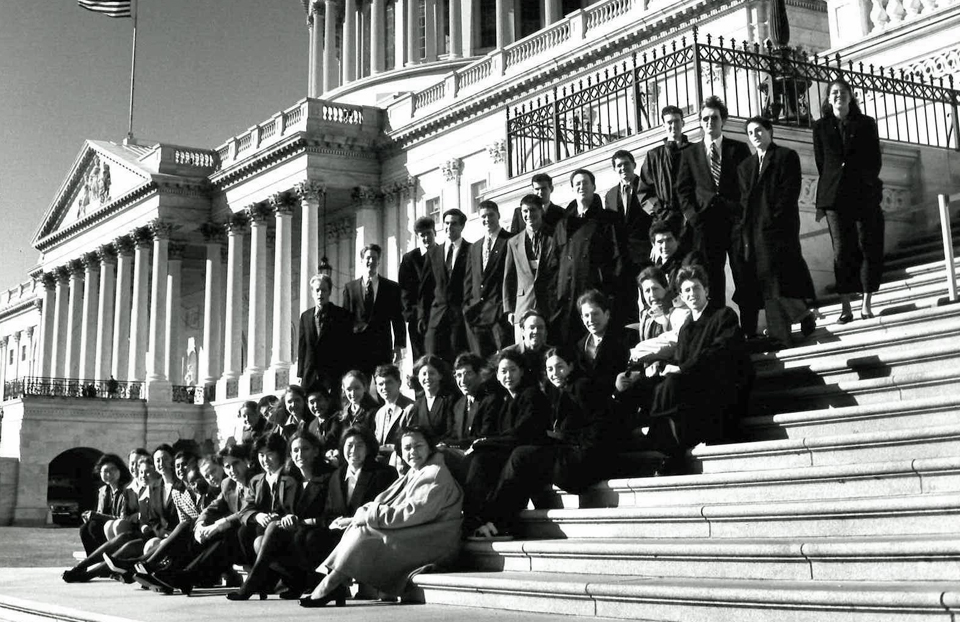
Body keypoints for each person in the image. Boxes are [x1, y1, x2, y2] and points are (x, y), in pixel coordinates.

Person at [301, 426, 463, 607]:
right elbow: (389, 503)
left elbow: (411, 513)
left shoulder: (434, 473)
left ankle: (331, 583)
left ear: (429, 447)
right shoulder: (417, 470)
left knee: (365, 534)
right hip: (419, 531)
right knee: (360, 528)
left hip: (433, 540)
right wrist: (363, 515)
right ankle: (332, 582)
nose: (412, 452)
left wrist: (368, 515)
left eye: (418, 446)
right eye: (407, 448)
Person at [471, 346, 610, 539]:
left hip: (584, 458)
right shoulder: (557, 392)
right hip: (567, 451)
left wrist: (562, 438)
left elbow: (598, 428)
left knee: (521, 456)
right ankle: (483, 520)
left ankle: (496, 521)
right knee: (498, 459)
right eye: (550, 369)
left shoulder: (581, 386)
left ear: (571, 366)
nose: (555, 373)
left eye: (560, 367)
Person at [647, 264, 754, 475]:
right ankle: (672, 451)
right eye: (686, 290)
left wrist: (682, 370)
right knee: (651, 385)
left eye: (696, 288)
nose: (692, 294)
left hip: (722, 387)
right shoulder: (686, 327)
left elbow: (722, 352)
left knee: (671, 387)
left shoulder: (724, 315)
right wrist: (661, 366)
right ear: (681, 296)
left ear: (706, 290)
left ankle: (672, 453)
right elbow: (679, 360)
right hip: (694, 385)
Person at [676, 96, 755, 333]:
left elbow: (747, 184)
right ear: (700, 122)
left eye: (715, 118)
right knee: (713, 279)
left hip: (735, 222)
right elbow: (683, 189)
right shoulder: (689, 154)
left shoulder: (738, 149)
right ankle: (722, 331)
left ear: (723, 120)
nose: (710, 122)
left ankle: (749, 329)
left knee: (743, 274)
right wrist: (692, 216)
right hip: (705, 224)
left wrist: (742, 213)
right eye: (705, 118)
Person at [738, 116, 817, 347]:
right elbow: (745, 200)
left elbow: (789, 192)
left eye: (759, 130)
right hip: (754, 232)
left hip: (780, 228)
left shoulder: (785, 156)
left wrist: (775, 221)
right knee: (766, 282)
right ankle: (781, 334)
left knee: (778, 278)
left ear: (769, 131)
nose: (755, 135)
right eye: (751, 132)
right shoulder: (746, 167)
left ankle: (801, 314)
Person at [227, 431, 334, 600]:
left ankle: (253, 584)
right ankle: (302, 581)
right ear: (290, 454)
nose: (300, 455)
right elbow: (280, 509)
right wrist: (275, 517)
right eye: (296, 451)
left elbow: (331, 511)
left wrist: (293, 519)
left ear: (315, 451)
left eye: (305, 449)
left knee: (269, 533)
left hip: (317, 528)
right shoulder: (293, 477)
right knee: (255, 537)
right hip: (293, 529)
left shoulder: (326, 476)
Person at [813, 78, 885, 323]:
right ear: (828, 98)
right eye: (834, 92)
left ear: (851, 96)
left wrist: (864, 182)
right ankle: (845, 307)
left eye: (843, 92)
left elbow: (875, 159)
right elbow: (822, 164)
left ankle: (866, 304)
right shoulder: (820, 127)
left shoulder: (866, 124)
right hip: (834, 198)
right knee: (841, 251)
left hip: (862, 194)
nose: (838, 96)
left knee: (866, 245)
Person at [462, 349, 549, 529]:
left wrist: (484, 443)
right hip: (512, 448)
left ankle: (494, 519)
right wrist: (481, 444)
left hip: (533, 450)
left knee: (503, 458)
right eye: (503, 371)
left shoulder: (532, 395)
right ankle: (474, 518)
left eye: (512, 370)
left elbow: (523, 433)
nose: (507, 375)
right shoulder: (505, 401)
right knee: (479, 460)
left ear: (522, 371)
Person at [314, 427, 398, 597]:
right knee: (310, 537)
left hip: (368, 530)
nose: (353, 451)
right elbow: (329, 511)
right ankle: (335, 589)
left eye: (359, 446)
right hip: (339, 530)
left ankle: (332, 588)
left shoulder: (383, 473)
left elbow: (385, 510)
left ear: (368, 448)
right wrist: (333, 522)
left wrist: (351, 521)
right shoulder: (336, 476)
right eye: (349, 445)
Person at [553, 168, 624, 344]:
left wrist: (610, 291)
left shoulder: (608, 219)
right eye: (577, 183)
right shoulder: (563, 224)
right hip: (567, 297)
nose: (581, 186)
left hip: (596, 293)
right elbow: (554, 261)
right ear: (572, 189)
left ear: (594, 186)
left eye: (585, 182)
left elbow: (619, 257)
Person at [342, 244, 406, 377]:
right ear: (361, 260)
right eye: (368, 258)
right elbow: (346, 320)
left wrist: (399, 346)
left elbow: (398, 319)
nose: (371, 261)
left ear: (379, 261)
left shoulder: (391, 287)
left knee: (383, 389)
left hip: (382, 348)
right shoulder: (350, 288)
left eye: (374, 258)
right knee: (361, 391)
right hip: (357, 348)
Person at [236, 433, 299, 566]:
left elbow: (292, 507)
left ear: (280, 454)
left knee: (261, 538)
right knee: (244, 532)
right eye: (261, 455)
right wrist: (258, 516)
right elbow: (245, 509)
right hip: (262, 524)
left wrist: (277, 517)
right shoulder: (256, 481)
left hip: (282, 526)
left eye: (269, 454)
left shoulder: (291, 476)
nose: (265, 460)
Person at [503, 194, 560, 342]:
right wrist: (509, 309)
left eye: (533, 210)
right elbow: (509, 277)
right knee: (523, 354)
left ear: (541, 210)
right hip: (523, 305)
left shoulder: (556, 236)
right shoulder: (513, 242)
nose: (529, 215)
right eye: (525, 211)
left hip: (551, 306)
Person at [419, 208, 472, 362]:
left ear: (462, 226)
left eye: (454, 223)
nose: (449, 227)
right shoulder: (433, 252)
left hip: (460, 317)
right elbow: (426, 288)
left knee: (458, 359)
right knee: (434, 360)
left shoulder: (471, 250)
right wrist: (422, 315)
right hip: (437, 317)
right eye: (447, 223)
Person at [463, 200, 514, 358]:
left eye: (490, 215)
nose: (487, 219)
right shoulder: (475, 246)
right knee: (483, 363)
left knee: (505, 358)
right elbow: (469, 279)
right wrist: (467, 306)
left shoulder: (510, 240)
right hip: (477, 314)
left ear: (498, 215)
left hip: (500, 313)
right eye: (483, 216)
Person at [637, 104, 693, 247]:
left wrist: (692, 212)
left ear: (683, 123)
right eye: (669, 122)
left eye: (676, 121)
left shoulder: (695, 151)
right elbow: (644, 192)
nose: (673, 125)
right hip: (664, 222)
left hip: (692, 220)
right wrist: (660, 212)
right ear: (663, 125)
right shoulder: (654, 156)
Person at [298, 273, 352, 396]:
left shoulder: (341, 315)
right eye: (317, 290)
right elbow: (302, 347)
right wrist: (300, 374)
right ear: (312, 292)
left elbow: (347, 346)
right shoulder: (305, 317)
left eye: (324, 290)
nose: (320, 294)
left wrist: (346, 373)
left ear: (329, 292)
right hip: (310, 375)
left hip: (333, 374)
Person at [605, 149, 654, 280]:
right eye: (619, 165)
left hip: (646, 252)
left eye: (626, 164)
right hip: (622, 259)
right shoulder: (610, 195)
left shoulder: (648, 187)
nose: (623, 168)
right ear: (614, 169)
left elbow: (655, 217)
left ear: (634, 165)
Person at [78, 454, 137, 555]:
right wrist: (91, 516)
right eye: (105, 471)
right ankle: (92, 559)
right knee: (85, 528)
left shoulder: (127, 490)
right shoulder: (103, 491)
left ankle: (102, 557)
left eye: (113, 470)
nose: (109, 474)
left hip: (122, 528)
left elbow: (123, 518)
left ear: (120, 471)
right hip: (106, 528)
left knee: (94, 525)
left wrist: (96, 516)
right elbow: (100, 514)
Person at [575, 289, 630, 394]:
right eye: (586, 315)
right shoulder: (580, 346)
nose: (591, 319)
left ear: (607, 314)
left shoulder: (624, 338)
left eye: (595, 314)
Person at [398, 216, 437, 360]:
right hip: (417, 318)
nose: (426, 238)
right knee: (420, 358)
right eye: (422, 235)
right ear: (417, 236)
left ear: (435, 233)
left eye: (429, 233)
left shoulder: (444, 253)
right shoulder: (409, 258)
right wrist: (411, 315)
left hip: (439, 315)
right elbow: (404, 289)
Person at [370, 364, 415, 463]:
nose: (384, 387)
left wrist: (393, 448)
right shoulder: (379, 413)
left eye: (389, 382)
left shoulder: (411, 408)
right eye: (381, 384)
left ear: (399, 383)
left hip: (403, 462)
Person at [409, 354, 457, 444]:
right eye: (423, 374)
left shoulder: (449, 399)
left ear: (440, 376)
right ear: (418, 377)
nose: (427, 378)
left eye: (432, 373)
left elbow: (451, 431)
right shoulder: (418, 404)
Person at [501, 309, 552, 388]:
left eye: (540, 328)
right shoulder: (508, 354)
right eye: (531, 327)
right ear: (523, 331)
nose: (535, 331)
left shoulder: (552, 354)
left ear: (546, 332)